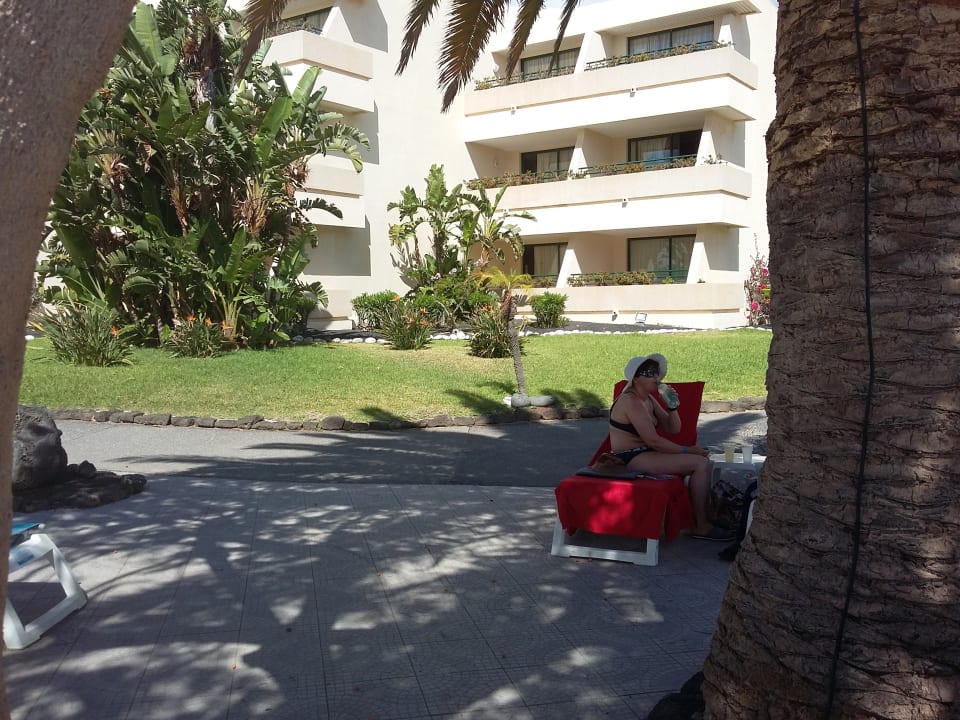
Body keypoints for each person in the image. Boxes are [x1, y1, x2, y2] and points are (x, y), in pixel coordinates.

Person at [598, 353, 733, 542]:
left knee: (702, 461)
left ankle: (705, 517)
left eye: (657, 373)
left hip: (646, 453)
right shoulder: (630, 401)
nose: (656, 377)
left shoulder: (648, 399)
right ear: (636, 378)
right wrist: (687, 450)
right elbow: (653, 440)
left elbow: (673, 428)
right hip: (629, 458)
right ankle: (701, 526)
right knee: (699, 463)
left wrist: (672, 407)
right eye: (649, 373)